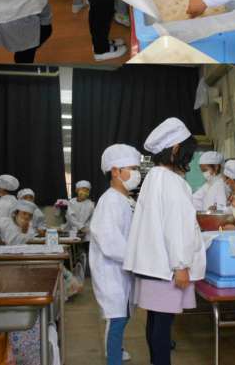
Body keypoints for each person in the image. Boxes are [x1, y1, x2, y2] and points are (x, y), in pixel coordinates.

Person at [123, 117, 206, 365]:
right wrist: (181, 265)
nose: (189, 160)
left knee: (155, 322)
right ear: (176, 148)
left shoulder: (154, 177)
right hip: (166, 267)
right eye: (188, 154)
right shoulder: (171, 181)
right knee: (162, 325)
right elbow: (176, 227)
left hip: (153, 265)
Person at [90, 144, 142, 365]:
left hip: (123, 268)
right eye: (132, 168)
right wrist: (137, 257)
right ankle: (113, 359)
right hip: (111, 270)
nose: (136, 174)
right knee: (117, 318)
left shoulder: (125, 199)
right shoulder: (110, 200)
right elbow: (110, 241)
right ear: (115, 171)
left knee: (124, 314)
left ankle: (117, 351)